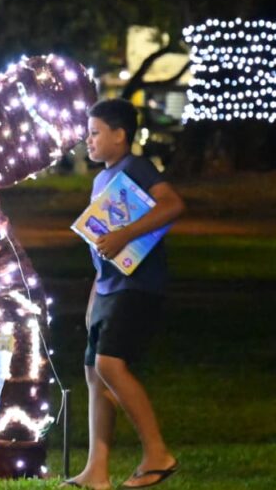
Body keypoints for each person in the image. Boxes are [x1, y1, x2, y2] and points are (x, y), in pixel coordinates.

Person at [65, 99, 185, 490]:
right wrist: (94, 296)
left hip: (136, 286)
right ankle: (96, 472)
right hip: (108, 289)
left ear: (120, 135)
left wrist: (125, 235)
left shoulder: (136, 167)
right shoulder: (102, 179)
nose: (88, 140)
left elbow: (173, 204)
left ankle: (157, 454)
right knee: (94, 374)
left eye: (95, 132)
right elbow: (101, 248)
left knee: (110, 365)